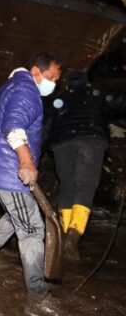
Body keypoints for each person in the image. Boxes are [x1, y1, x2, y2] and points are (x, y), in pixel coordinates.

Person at [0, 52, 62, 315]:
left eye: (57, 79)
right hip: (6, 168)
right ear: (36, 72)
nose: (54, 83)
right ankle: (37, 296)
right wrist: (25, 161)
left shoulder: (12, 85)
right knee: (33, 227)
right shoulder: (26, 89)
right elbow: (13, 126)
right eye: (51, 77)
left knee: (17, 214)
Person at [46, 71, 126, 260]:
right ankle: (73, 239)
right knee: (85, 187)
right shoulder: (95, 94)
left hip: (62, 144)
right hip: (90, 142)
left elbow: (47, 122)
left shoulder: (62, 99)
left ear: (67, 84)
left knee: (67, 187)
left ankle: (64, 235)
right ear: (86, 83)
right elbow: (120, 101)